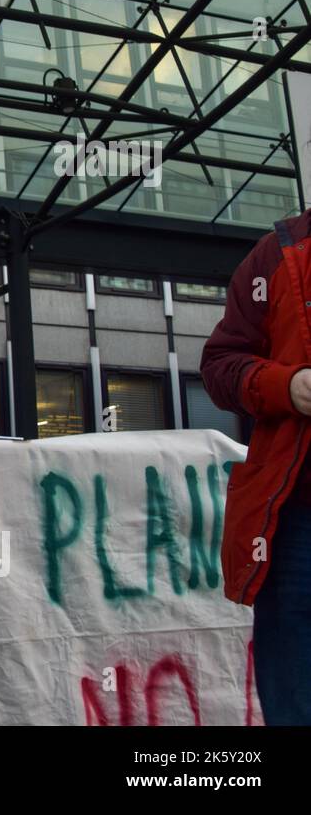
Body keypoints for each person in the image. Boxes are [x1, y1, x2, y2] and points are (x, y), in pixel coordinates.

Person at [202, 214, 311, 725]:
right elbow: (220, 366)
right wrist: (287, 386)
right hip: (298, 516)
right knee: (293, 691)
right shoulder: (277, 252)